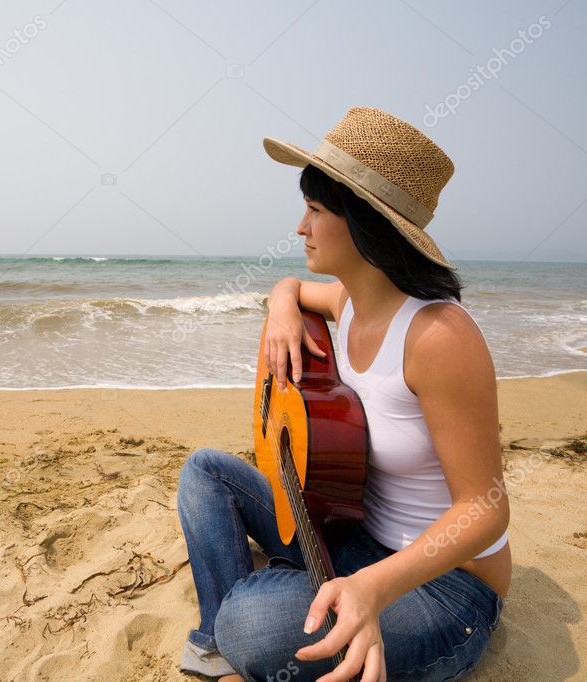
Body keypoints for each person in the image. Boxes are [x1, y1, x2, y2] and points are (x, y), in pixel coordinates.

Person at [176, 107, 510, 681]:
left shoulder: (439, 337)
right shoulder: (351, 300)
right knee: (205, 473)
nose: (300, 228)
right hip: (353, 533)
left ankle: (240, 626)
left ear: (363, 224)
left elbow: (484, 508)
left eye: (314, 211)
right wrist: (283, 302)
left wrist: (372, 588)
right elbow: (294, 286)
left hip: (445, 587)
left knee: (256, 623)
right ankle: (216, 641)